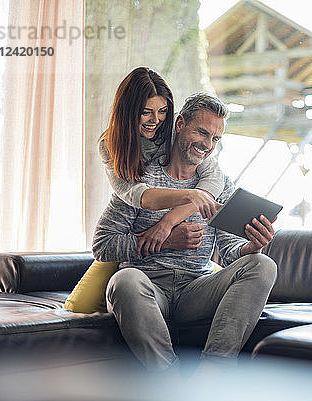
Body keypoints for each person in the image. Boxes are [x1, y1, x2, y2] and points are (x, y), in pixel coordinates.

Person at [92, 92, 278, 371]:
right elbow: (103, 245)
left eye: (215, 139)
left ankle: (211, 375)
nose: (207, 145)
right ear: (179, 124)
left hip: (196, 289)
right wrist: (166, 240)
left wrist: (252, 247)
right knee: (124, 280)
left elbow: (229, 252)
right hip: (149, 287)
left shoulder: (220, 184)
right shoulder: (140, 177)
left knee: (262, 265)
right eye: (202, 133)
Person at [100, 67, 225, 255]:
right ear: (128, 111)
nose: (156, 120)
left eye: (163, 111)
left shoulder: (176, 130)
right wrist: (190, 196)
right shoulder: (110, 145)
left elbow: (214, 179)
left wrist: (167, 223)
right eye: (146, 112)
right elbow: (138, 196)